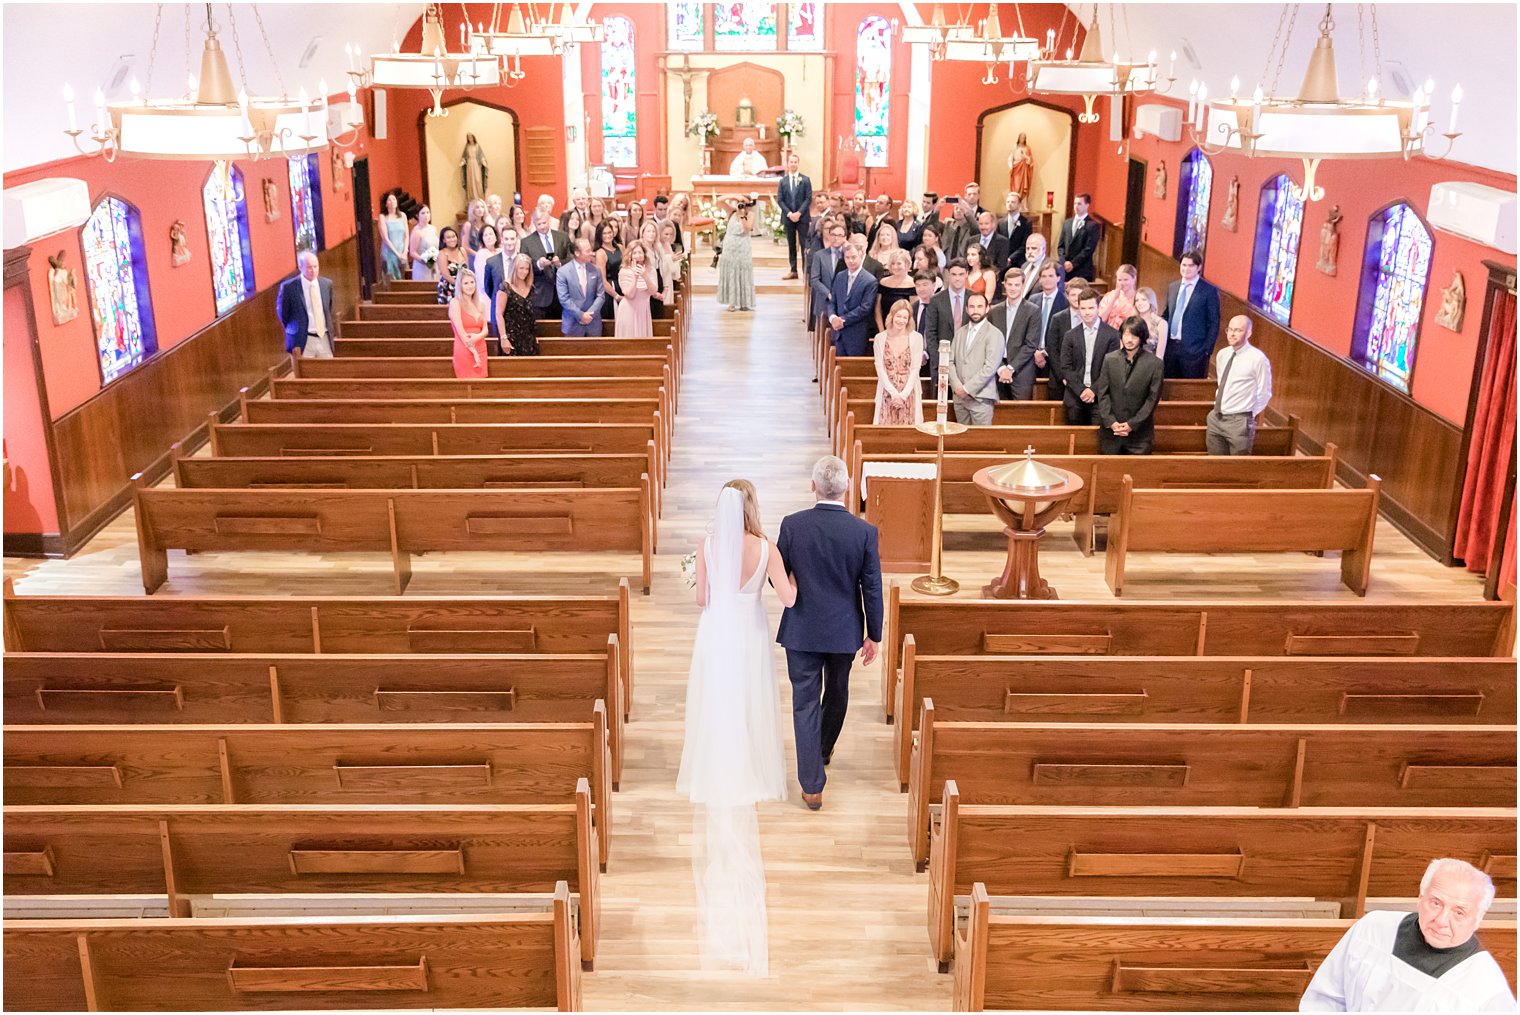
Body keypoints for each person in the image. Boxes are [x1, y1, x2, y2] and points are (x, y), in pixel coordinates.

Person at [677, 481, 795, 975]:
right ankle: (750, 757)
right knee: (750, 698)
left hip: (716, 633)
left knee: (717, 697)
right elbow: (788, 599)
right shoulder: (766, 547)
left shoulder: (707, 546)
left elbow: (702, 598)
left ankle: (719, 756)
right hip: (748, 633)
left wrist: (701, 581)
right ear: (751, 508)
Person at [776, 456, 884, 811]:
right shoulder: (863, 532)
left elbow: (779, 572)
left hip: (803, 629)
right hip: (843, 630)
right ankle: (822, 750)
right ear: (848, 487)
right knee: (838, 692)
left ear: (813, 487)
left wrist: (794, 582)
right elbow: (872, 587)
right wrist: (875, 635)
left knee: (805, 703)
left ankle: (812, 784)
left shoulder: (793, 526)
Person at [1300, 858, 1514, 1011]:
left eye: (1459, 912)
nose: (1441, 921)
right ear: (1420, 897)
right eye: (1436, 903)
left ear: (1478, 917)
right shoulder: (1373, 930)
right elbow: (1325, 1000)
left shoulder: (1487, 990)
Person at [1096, 316, 1164, 454]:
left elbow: (1152, 400)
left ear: (1142, 337)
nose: (1129, 339)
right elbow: (1103, 394)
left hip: (1139, 436)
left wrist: (1132, 425)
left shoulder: (1155, 364)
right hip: (1111, 433)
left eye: (1134, 335)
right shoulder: (1110, 359)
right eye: (1126, 334)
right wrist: (1111, 422)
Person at [1207, 315, 1272, 455]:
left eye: (1237, 330)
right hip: (1216, 417)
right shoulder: (1222, 354)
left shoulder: (1258, 359)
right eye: (1229, 329)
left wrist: (1248, 415)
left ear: (1248, 333)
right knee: (1214, 466)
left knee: (1237, 469)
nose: (1232, 334)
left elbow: (1264, 393)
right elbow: (1222, 383)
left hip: (1239, 421)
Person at [1058, 287, 1120, 425]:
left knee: (1095, 441)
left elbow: (1111, 368)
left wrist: (1093, 391)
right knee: (1073, 440)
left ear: (1098, 308)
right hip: (1075, 396)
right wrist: (1082, 391)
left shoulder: (1112, 335)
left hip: (1101, 397)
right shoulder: (1070, 336)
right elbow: (1066, 367)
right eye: (1083, 308)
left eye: (1091, 308)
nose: (1087, 312)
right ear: (1078, 309)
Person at [1164, 248, 1223, 378]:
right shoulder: (1173, 287)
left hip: (1195, 352)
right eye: (1184, 265)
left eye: (1191, 265)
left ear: (1199, 267)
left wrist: (1206, 350)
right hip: (1171, 348)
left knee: (1191, 391)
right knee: (1169, 389)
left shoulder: (1208, 291)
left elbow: (1214, 322)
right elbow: (1167, 315)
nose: (1186, 269)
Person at [948, 292, 1001, 425]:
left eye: (979, 306)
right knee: (961, 443)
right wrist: (957, 387)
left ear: (987, 308)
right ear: (966, 309)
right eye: (972, 307)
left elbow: (990, 368)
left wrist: (967, 389)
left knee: (981, 443)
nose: (975, 310)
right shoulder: (960, 333)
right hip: (959, 399)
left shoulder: (994, 334)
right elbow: (950, 362)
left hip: (981, 399)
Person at [873, 299, 925, 425]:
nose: (901, 320)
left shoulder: (916, 338)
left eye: (905, 317)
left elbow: (915, 369)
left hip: (908, 392)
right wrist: (894, 394)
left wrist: (902, 395)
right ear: (892, 316)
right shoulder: (880, 338)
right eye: (898, 316)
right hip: (887, 392)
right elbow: (879, 368)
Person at [277, 250, 336, 359]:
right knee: (304, 373)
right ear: (300, 267)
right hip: (302, 340)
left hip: (324, 338)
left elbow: (329, 309)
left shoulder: (326, 284)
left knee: (328, 373)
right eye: (309, 267)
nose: (313, 270)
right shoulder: (289, 288)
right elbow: (283, 314)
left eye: (315, 266)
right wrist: (295, 328)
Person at [991, 267, 1039, 399]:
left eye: (1017, 285)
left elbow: (1030, 345)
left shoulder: (1033, 311)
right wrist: (1001, 368)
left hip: (1021, 373)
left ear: (1023, 285)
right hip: (996, 372)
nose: (1013, 288)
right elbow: (990, 343)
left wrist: (1010, 369)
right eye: (1010, 284)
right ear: (1004, 285)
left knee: (1020, 417)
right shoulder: (994, 311)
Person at [828, 242, 879, 357]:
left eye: (854, 257)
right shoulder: (840, 276)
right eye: (847, 257)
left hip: (857, 333)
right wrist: (833, 318)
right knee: (838, 367)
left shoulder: (870, 280)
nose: (850, 261)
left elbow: (865, 308)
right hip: (838, 332)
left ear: (861, 256)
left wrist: (843, 320)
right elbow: (833, 301)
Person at [927, 258, 971, 384]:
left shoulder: (974, 298)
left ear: (967, 274)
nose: (957, 278)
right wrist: (938, 360)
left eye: (961, 274)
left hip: (968, 363)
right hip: (942, 361)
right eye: (954, 274)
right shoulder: (936, 300)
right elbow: (931, 333)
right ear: (948, 275)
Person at [522, 210, 571, 319]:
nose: (543, 227)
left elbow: (571, 259)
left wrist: (560, 263)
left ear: (549, 221)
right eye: (539, 224)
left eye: (544, 223)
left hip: (563, 293)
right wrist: (539, 264)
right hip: (540, 296)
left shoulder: (562, 237)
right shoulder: (526, 242)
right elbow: (523, 267)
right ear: (534, 224)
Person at [555, 238, 606, 337]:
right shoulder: (563, 272)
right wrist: (581, 315)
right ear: (577, 253)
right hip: (572, 323)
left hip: (593, 323)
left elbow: (601, 296)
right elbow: (564, 299)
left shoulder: (596, 270)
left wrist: (590, 314)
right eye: (587, 251)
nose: (591, 253)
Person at [495, 252, 540, 356]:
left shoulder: (531, 287)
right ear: (515, 268)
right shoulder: (505, 287)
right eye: (521, 268)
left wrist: (534, 336)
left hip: (528, 337)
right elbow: (499, 314)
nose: (524, 272)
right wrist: (503, 338)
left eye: (527, 269)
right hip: (511, 336)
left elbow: (531, 314)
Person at [717, 198, 756, 312]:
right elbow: (719, 201)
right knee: (731, 271)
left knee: (743, 271)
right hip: (730, 245)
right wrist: (735, 196)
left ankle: (744, 302)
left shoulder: (751, 214)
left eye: (744, 203)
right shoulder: (731, 211)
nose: (741, 205)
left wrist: (742, 216)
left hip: (743, 246)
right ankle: (731, 302)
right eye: (740, 203)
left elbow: (747, 229)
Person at [449, 267, 490, 379]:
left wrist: (477, 337)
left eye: (472, 282)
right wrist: (474, 352)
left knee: (481, 387)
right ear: (460, 286)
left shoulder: (481, 304)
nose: (470, 286)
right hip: (464, 348)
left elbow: (485, 329)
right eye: (466, 283)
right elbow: (460, 331)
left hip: (481, 347)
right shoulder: (455, 303)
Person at [777, 151, 812, 280]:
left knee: (804, 244)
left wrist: (799, 213)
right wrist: (790, 213)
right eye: (791, 162)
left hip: (802, 217)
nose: (793, 164)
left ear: (798, 164)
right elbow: (780, 200)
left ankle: (805, 271)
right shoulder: (783, 181)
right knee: (791, 244)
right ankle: (793, 270)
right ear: (788, 164)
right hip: (789, 217)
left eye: (795, 162)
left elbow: (808, 198)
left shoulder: (805, 179)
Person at [808, 221, 847, 330]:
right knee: (824, 335)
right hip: (824, 300)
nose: (836, 238)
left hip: (843, 302)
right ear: (829, 237)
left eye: (839, 235)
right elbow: (814, 280)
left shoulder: (848, 256)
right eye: (833, 235)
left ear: (844, 238)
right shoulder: (819, 255)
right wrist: (828, 293)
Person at [616, 240, 656, 338]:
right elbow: (630, 294)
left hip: (643, 310)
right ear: (629, 255)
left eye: (640, 252)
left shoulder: (651, 270)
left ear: (644, 254)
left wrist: (645, 276)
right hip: (628, 309)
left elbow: (653, 291)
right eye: (634, 253)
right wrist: (635, 277)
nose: (638, 255)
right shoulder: (624, 271)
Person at [1059, 193, 1099, 282]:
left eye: (1079, 204)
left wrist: (1073, 264)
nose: (1076, 206)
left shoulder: (1092, 225)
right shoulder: (1067, 223)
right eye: (1075, 203)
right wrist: (1063, 262)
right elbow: (1061, 246)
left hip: (1082, 269)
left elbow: (1088, 249)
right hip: (1065, 269)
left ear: (1087, 205)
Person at [874, 250, 915, 332]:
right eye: (893, 264)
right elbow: (877, 310)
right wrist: (882, 331)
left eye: (899, 263)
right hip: (884, 328)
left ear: (907, 264)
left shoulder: (913, 284)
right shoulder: (883, 282)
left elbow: (913, 313)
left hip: (904, 330)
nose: (895, 267)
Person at [593, 222, 622, 323]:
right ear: (599, 235)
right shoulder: (600, 253)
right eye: (604, 233)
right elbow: (602, 280)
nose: (608, 235)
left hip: (624, 285)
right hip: (610, 291)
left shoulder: (621, 248)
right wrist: (616, 296)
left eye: (609, 232)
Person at [1098, 263, 1139, 329]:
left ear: (1134, 279)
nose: (1122, 283)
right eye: (1119, 280)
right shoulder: (1109, 296)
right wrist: (1114, 298)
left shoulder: (1139, 298)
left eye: (1126, 280)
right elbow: (1100, 319)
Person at [377, 192, 408, 281]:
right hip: (389, 253)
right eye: (389, 200)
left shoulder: (402, 215)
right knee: (391, 281)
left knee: (404, 279)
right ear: (386, 204)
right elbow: (385, 239)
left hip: (402, 252)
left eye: (394, 199)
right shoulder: (383, 217)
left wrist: (405, 252)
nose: (392, 201)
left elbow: (406, 235)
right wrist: (397, 254)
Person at [998, 191, 1032, 267]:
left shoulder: (1026, 223)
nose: (1009, 204)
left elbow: (1025, 245)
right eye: (1008, 202)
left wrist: (1011, 258)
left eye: (1013, 202)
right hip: (1002, 262)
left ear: (1019, 204)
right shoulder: (1000, 223)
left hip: (1019, 262)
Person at [434, 226, 467, 304]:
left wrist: (466, 284)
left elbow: (467, 270)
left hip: (463, 286)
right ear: (444, 240)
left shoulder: (462, 250)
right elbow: (446, 275)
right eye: (448, 237)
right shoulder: (442, 253)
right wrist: (459, 285)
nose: (452, 239)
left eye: (453, 236)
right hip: (448, 287)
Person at [1134, 285, 1168, 360]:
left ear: (1151, 301)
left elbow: (1160, 356)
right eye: (1137, 300)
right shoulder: (1132, 321)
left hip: (1151, 366)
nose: (1140, 303)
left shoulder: (1161, 323)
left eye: (1144, 299)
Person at [972, 211, 1011, 276]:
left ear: (993, 224)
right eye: (980, 224)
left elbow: (1001, 266)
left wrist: (987, 276)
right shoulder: (971, 241)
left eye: (986, 224)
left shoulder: (1003, 242)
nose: (983, 227)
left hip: (993, 279)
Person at [408, 204, 438, 281]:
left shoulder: (433, 229)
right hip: (422, 266)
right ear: (417, 215)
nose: (426, 215)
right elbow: (412, 252)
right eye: (423, 213)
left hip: (435, 264)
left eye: (428, 212)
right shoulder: (416, 231)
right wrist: (424, 261)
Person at [1008, 132, 1034, 201]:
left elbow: (1031, 161)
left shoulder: (1027, 148)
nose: (1022, 139)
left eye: (1024, 138)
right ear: (1018, 138)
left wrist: (1026, 157)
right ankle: (1015, 201)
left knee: (1023, 187)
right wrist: (1011, 167)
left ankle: (1022, 205)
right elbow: (1010, 157)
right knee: (1016, 187)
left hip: (1024, 169)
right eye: (1021, 137)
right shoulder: (1014, 147)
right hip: (1016, 168)